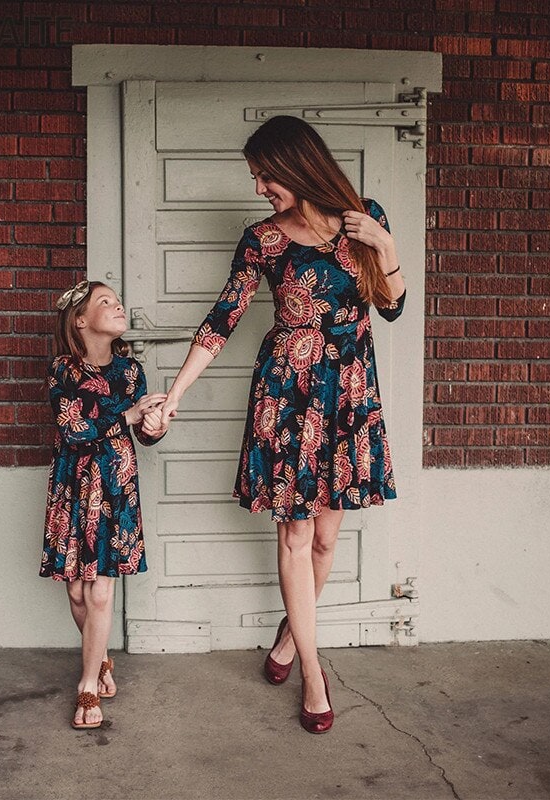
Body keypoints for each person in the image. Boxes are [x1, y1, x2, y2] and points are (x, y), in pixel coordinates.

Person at [158, 116, 406, 734]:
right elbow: (222, 318)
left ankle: (291, 636)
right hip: (287, 397)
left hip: (349, 396)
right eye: (256, 178)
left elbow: (392, 306)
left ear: (296, 165)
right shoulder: (262, 240)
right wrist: (176, 393)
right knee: (296, 535)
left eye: (265, 175)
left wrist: (386, 246)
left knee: (325, 539)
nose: (259, 187)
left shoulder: (364, 217)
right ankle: (313, 676)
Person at [40, 280, 168, 730]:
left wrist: (154, 424)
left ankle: (88, 685)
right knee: (77, 592)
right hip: (73, 485)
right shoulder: (62, 370)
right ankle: (103, 659)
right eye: (105, 302)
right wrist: (127, 416)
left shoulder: (130, 372)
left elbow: (143, 437)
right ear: (80, 320)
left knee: (99, 591)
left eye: (118, 301)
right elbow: (73, 429)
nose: (118, 306)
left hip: (114, 487)